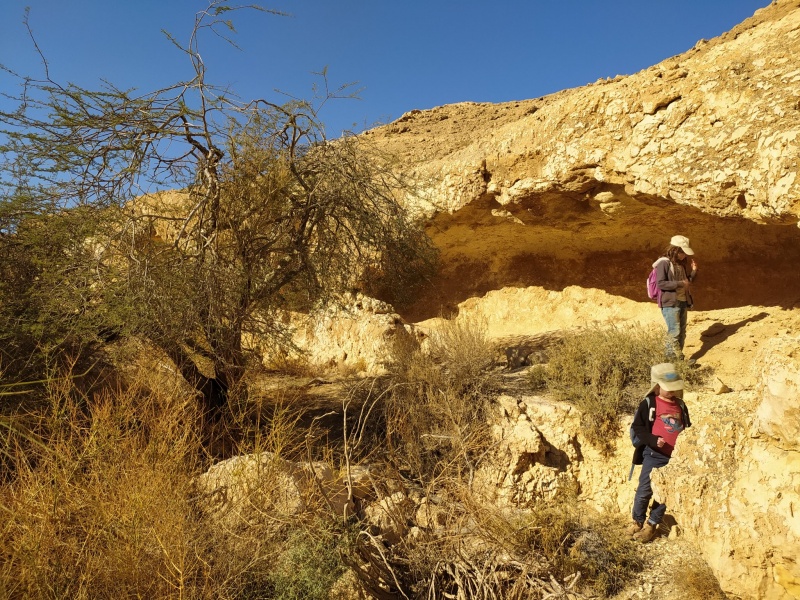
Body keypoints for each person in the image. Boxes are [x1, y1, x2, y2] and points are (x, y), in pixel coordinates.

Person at [627, 363, 691, 543]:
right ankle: (637, 521)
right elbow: (638, 427)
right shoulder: (649, 404)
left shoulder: (681, 405)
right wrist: (653, 440)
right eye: (668, 389)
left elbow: (687, 427)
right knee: (644, 489)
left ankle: (651, 525)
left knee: (664, 494)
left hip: (674, 458)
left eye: (674, 389)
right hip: (653, 454)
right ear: (657, 386)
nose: (672, 392)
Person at [654, 234, 697, 361]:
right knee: (674, 331)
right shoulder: (663, 263)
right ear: (675, 250)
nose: (684, 255)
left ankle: (679, 360)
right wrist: (680, 283)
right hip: (670, 303)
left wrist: (694, 272)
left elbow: (686, 282)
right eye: (682, 252)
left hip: (682, 301)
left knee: (682, 332)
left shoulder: (681, 265)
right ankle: (670, 360)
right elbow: (660, 283)